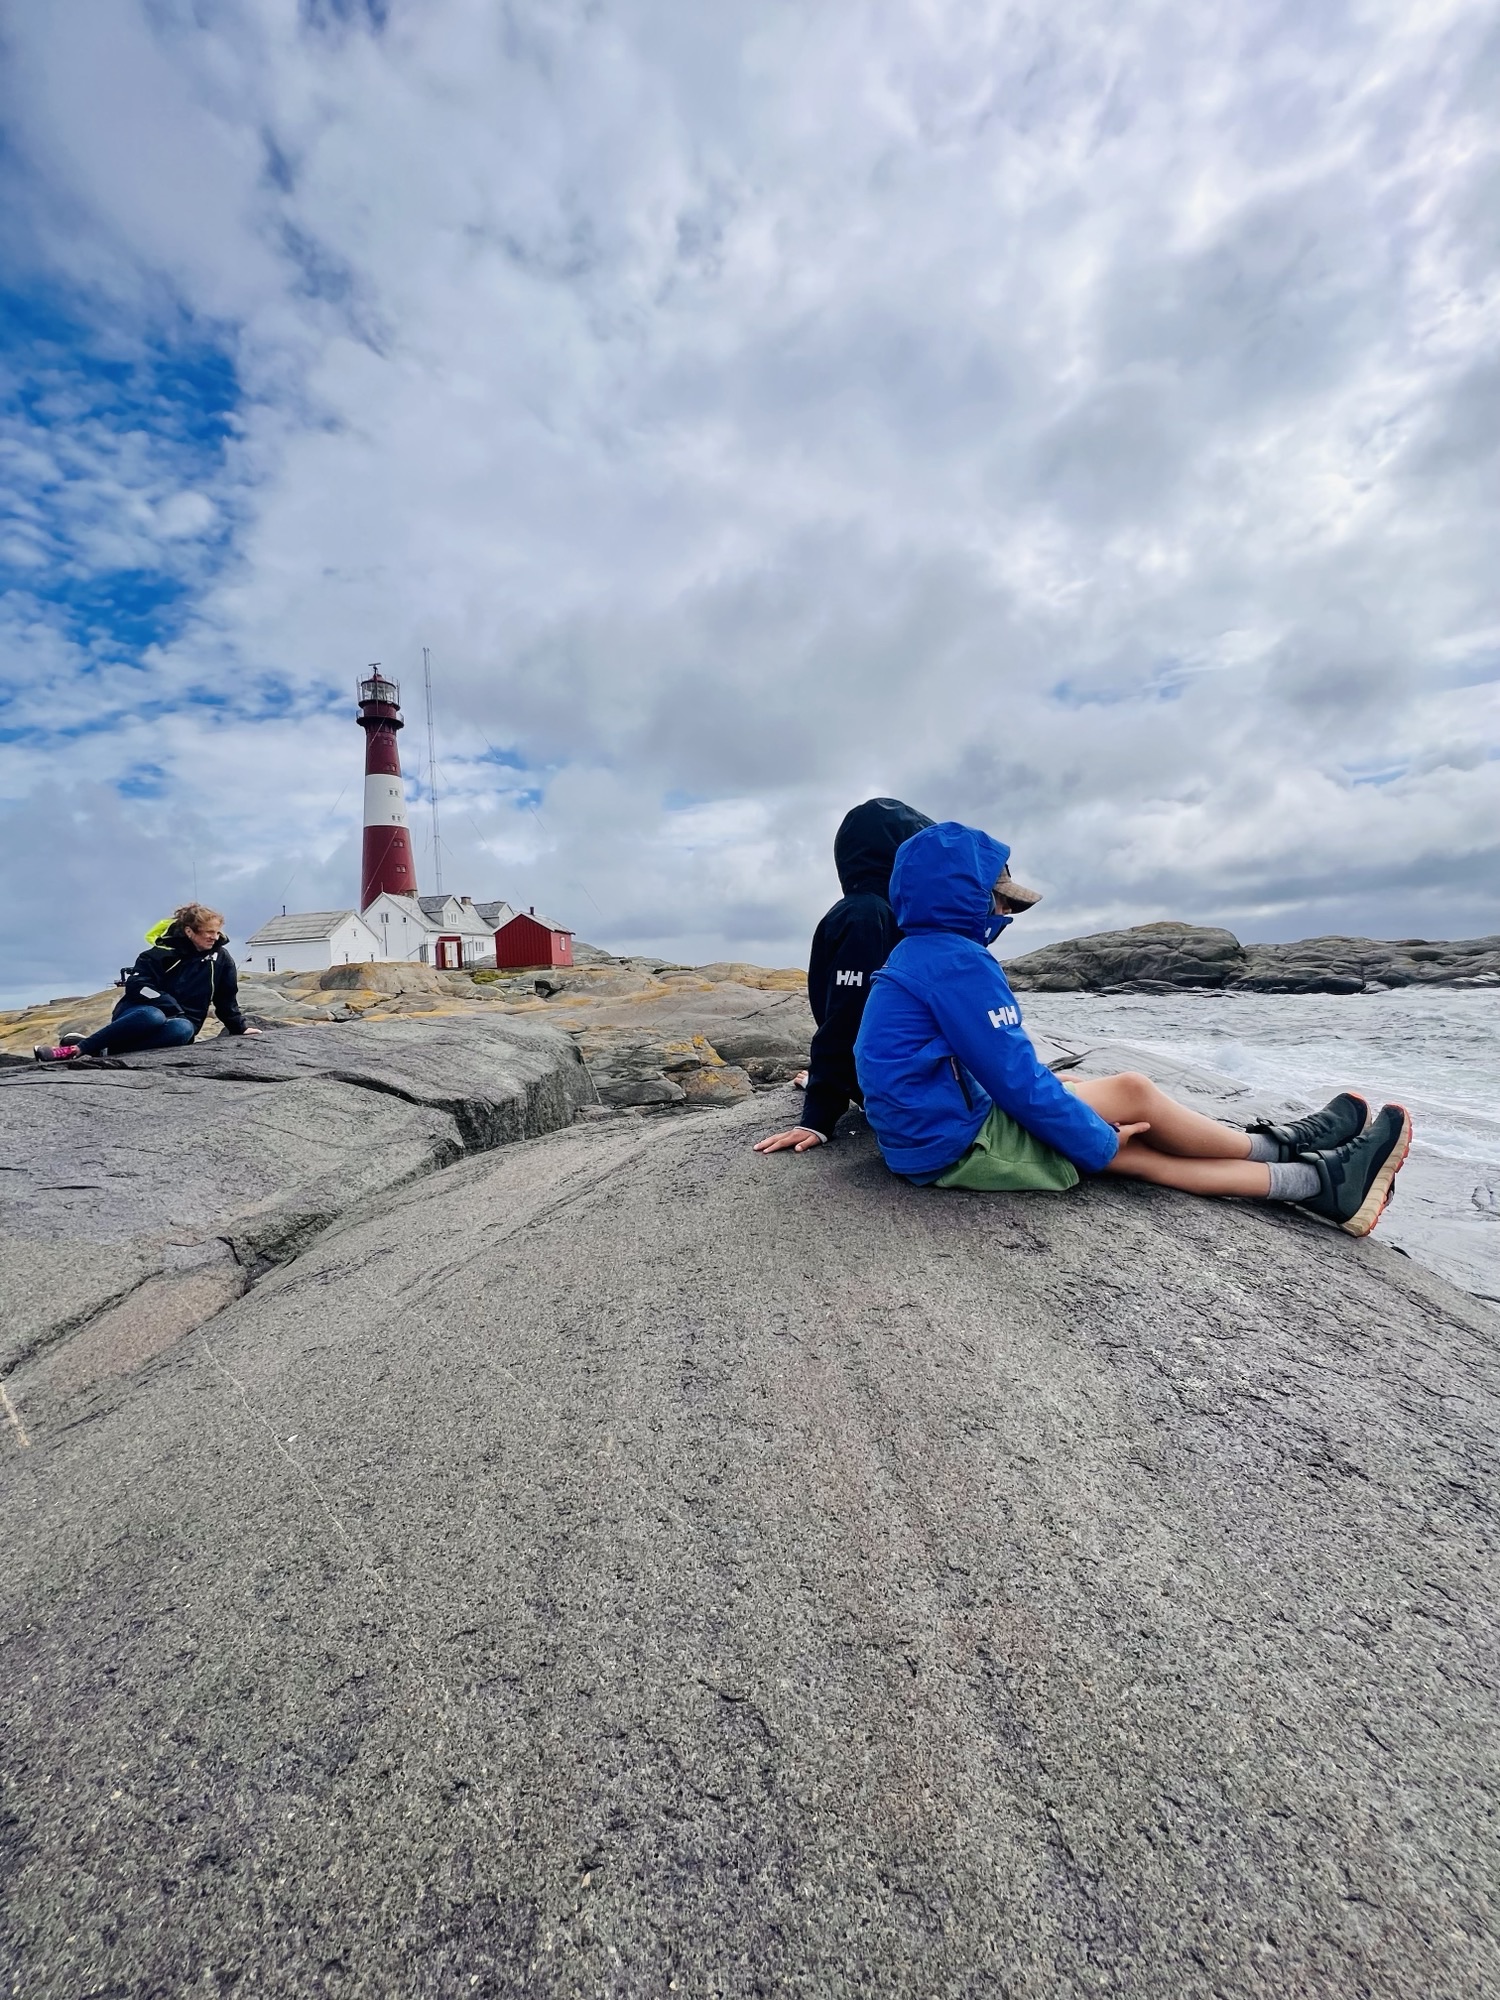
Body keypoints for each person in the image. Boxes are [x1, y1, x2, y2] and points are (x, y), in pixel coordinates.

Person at [852, 822, 1411, 1238]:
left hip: (935, 1129)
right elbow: (1015, 1078)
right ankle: (1314, 1181)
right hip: (954, 1146)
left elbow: (981, 1066)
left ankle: (1288, 1153)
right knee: (1133, 1129)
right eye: (999, 902)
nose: (1005, 914)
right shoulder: (958, 963)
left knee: (1122, 1104)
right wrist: (1095, 1138)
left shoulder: (918, 953)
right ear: (966, 899)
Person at [755, 796, 933, 1154]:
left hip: (891, 1079)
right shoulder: (865, 916)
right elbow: (847, 1016)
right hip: (899, 1084)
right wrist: (819, 1114)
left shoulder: (885, 914)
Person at [34, 903, 261, 1063]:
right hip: (140, 1011)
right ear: (189, 931)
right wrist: (168, 1004)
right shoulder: (159, 954)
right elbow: (137, 986)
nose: (214, 937)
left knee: (182, 1030)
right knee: (154, 1016)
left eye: (217, 932)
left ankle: (106, 1050)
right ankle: (75, 1049)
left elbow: (225, 998)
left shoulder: (220, 959)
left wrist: (239, 1028)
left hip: (182, 1020)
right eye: (208, 932)